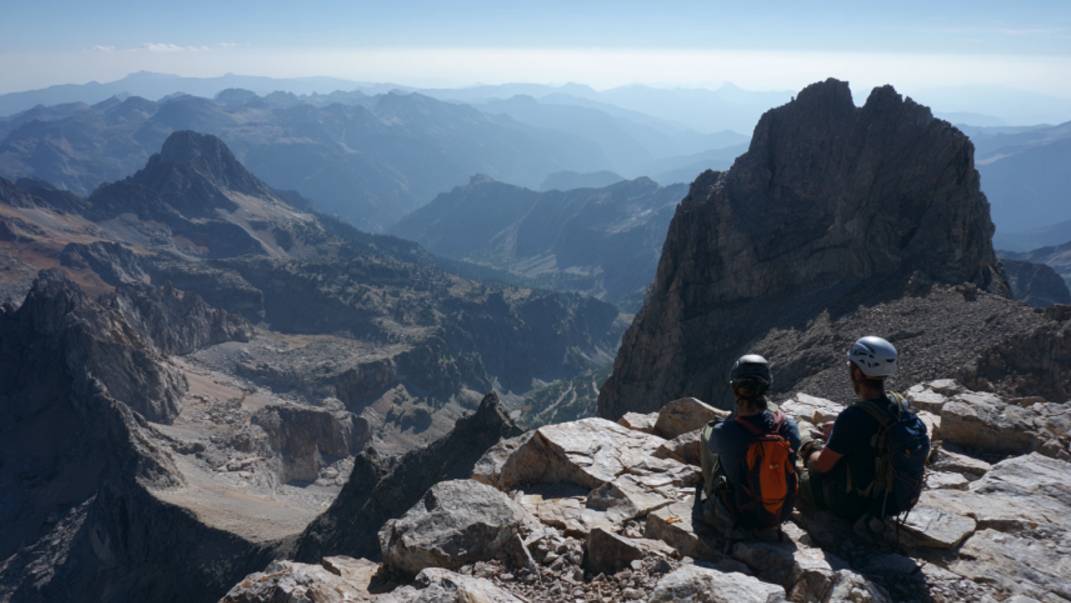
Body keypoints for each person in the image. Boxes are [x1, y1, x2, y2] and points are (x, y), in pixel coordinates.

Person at [801, 336, 929, 521]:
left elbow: (821, 466)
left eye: (851, 366)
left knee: (795, 474)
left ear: (858, 373)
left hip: (856, 504)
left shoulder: (853, 417)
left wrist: (808, 447)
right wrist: (838, 432)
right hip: (894, 500)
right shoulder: (900, 404)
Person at [699, 354, 801, 537]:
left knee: (708, 434)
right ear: (767, 386)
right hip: (781, 512)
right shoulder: (789, 426)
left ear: (734, 388)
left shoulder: (724, 432)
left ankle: (707, 490)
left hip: (741, 513)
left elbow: (713, 445)